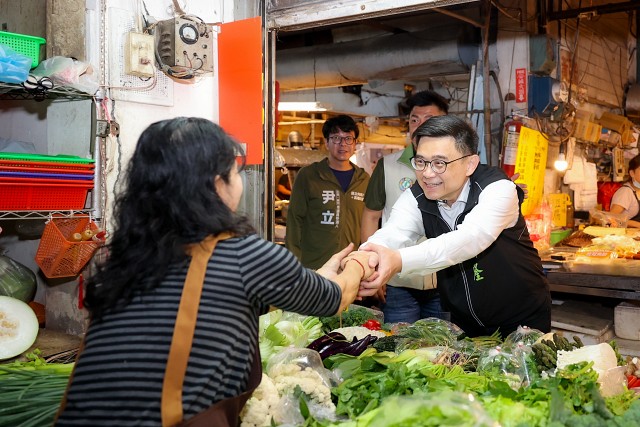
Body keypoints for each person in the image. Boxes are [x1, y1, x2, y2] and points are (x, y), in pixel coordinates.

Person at [54, 118, 374, 426]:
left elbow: (274, 291)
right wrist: (360, 261)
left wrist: (318, 274)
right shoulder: (243, 255)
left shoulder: (128, 254)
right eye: (235, 171)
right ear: (217, 184)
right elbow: (335, 298)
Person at [354, 115, 551, 338]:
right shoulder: (417, 196)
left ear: (470, 164)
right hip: (464, 322)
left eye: (439, 163)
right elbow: (392, 233)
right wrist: (360, 262)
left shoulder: (498, 189)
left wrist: (398, 260)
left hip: (521, 318)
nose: (427, 173)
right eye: (421, 162)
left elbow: (469, 239)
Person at [361, 90, 449, 323]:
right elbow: (371, 216)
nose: (419, 126)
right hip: (398, 280)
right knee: (398, 343)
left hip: (445, 279)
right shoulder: (387, 166)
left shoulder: (457, 166)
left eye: (428, 119)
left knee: (442, 342)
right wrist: (373, 269)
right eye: (414, 120)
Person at [285, 114, 370, 269]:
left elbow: (369, 223)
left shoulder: (364, 180)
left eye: (348, 138)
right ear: (326, 142)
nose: (342, 144)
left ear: (355, 143)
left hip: (350, 267)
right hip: (314, 266)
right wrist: (293, 264)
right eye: (336, 138)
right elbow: (294, 219)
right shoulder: (309, 176)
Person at [610, 154, 640, 228]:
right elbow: (611, 218)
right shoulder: (625, 192)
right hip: (625, 234)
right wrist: (637, 224)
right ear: (632, 173)